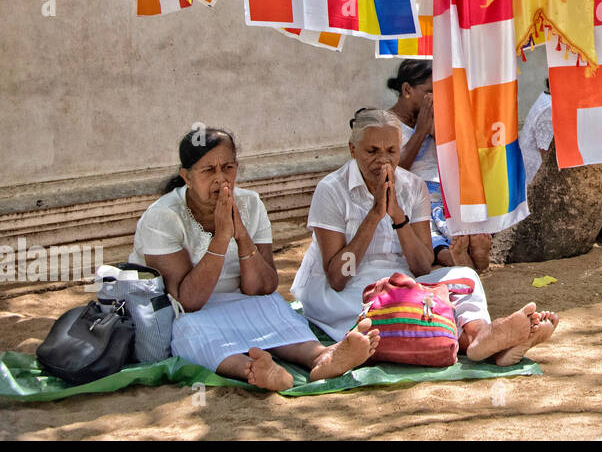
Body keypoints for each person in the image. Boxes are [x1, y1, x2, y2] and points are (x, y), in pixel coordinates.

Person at [292, 109, 557, 365]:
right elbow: (338, 277)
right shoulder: (331, 190)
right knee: (400, 311)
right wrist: (374, 215)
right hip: (347, 289)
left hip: (400, 280)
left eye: (391, 151)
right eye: (372, 151)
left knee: (463, 276)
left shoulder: (412, 186)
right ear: (353, 150)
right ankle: (480, 345)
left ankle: (480, 334)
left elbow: (420, 266)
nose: (383, 160)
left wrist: (398, 217)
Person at [133, 128, 381, 392]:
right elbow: (188, 301)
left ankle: (322, 357)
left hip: (244, 298)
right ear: (187, 177)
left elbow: (262, 287)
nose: (220, 178)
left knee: (274, 307)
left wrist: (242, 238)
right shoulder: (162, 217)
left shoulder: (251, 204)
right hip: (185, 310)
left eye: (227, 167)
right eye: (208, 171)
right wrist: (221, 238)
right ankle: (254, 369)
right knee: (190, 332)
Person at [386, 60, 489, 272]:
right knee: (431, 236)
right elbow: (396, 169)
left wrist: (440, 131)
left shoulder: (433, 117)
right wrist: (421, 130)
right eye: (430, 91)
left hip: (444, 190)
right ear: (407, 90)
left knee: (464, 227)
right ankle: (453, 257)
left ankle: (472, 254)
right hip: (412, 195)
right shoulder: (387, 123)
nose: (436, 98)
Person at [519, 79, 554, 186]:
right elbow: (546, 156)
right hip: (537, 174)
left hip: (531, 169)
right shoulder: (550, 108)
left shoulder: (547, 97)